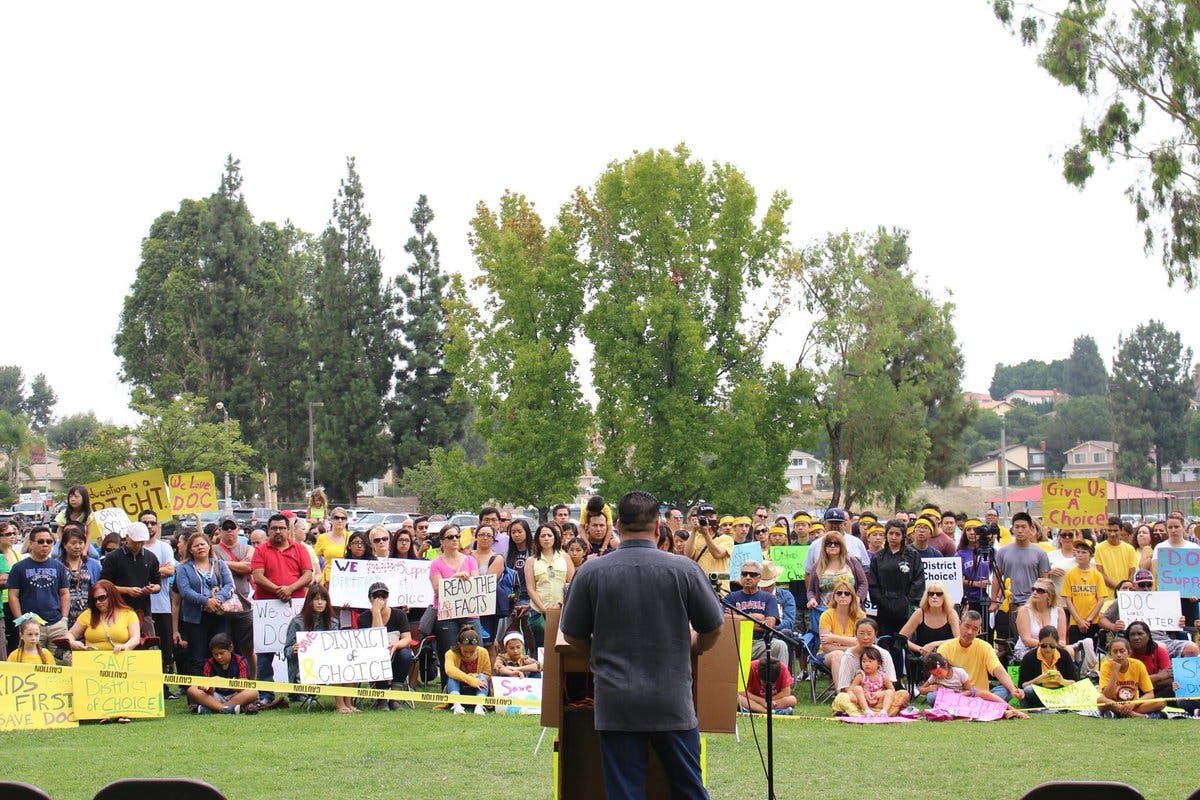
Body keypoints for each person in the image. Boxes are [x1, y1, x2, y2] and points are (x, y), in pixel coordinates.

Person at [561, 490, 723, 800]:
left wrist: (595, 654)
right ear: (659, 526)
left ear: (617, 525)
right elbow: (714, 628)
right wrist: (695, 647)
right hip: (672, 699)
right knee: (690, 790)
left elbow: (572, 635)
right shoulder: (684, 570)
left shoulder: (590, 573)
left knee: (625, 794)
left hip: (616, 701)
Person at [251, 513, 314, 707]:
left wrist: (290, 589)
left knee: (297, 649)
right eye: (274, 528)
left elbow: (308, 574)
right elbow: (257, 576)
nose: (278, 532)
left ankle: (298, 690)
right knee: (264, 653)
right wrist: (278, 590)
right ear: (269, 530)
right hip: (267, 608)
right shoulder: (261, 550)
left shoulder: (300, 549)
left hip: (295, 606)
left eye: (282, 528)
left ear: (289, 530)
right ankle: (266, 693)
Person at [173, 531, 234, 676]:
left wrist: (218, 599)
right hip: (195, 619)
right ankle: (199, 694)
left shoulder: (220, 564)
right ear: (190, 550)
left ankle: (222, 690)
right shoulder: (183, 568)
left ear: (209, 546)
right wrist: (206, 601)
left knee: (221, 653)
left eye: (203, 544)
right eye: (196, 546)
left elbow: (229, 585)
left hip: (219, 616)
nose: (200, 547)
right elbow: (185, 591)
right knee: (198, 655)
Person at [6, 525, 70, 661]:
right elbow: (13, 596)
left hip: (56, 624)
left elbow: (64, 593)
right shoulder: (19, 567)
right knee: (31, 663)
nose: (45, 544)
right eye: (41, 541)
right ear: (31, 544)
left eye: (49, 541)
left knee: (61, 663)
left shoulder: (58, 566)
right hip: (31, 627)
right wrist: (21, 622)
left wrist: (64, 619)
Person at [429, 523, 481, 688]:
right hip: (446, 614)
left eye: (457, 536)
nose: (455, 540)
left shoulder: (470, 560)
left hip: (469, 611)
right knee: (449, 653)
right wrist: (455, 578)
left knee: (475, 650)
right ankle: (449, 689)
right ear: (442, 542)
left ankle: (476, 688)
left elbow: (477, 585)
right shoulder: (436, 564)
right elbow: (437, 589)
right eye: (450, 537)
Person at [285, 585, 352, 712]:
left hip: (328, 664)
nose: (320, 602)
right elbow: (286, 651)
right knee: (335, 668)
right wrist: (293, 649)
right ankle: (340, 705)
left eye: (323, 599)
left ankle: (348, 704)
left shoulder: (333, 622)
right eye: (316, 599)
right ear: (309, 602)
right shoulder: (297, 622)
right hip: (305, 670)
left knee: (347, 665)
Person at [937, 610, 1025, 701]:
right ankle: (983, 704)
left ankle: (977, 703)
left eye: (975, 629)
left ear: (979, 630)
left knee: (1006, 690)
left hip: (980, 694)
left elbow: (997, 669)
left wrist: (1013, 689)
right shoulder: (945, 648)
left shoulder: (985, 647)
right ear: (959, 624)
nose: (970, 632)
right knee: (933, 696)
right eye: (966, 626)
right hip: (956, 694)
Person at [990, 512, 1050, 633]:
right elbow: (997, 577)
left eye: (1023, 527)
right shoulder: (1003, 551)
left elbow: (1045, 581)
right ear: (1012, 528)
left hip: (1031, 603)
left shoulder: (1040, 553)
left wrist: (1044, 604)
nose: (1020, 530)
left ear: (1031, 529)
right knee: (1005, 641)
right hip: (1008, 603)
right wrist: (994, 601)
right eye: (1017, 527)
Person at [211, 516, 256, 678]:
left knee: (248, 648)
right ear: (220, 530)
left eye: (232, 527)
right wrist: (239, 566)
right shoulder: (213, 549)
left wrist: (223, 563)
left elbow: (249, 567)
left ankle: (252, 681)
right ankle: (226, 682)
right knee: (223, 647)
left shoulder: (247, 548)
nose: (229, 530)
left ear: (238, 529)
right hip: (222, 607)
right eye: (225, 527)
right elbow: (213, 569)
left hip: (244, 605)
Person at [358, 581, 412, 711]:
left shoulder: (399, 614)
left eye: (384, 596)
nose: (381, 599)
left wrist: (396, 645)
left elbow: (407, 638)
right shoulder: (363, 618)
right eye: (376, 596)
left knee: (405, 654)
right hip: (374, 654)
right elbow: (376, 639)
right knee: (379, 654)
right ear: (370, 598)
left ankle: (395, 697)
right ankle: (381, 697)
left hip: (396, 651)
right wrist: (376, 612)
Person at [725, 559, 789, 665]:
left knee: (780, 645)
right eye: (744, 574)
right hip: (737, 643)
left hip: (761, 643)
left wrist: (738, 618)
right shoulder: (731, 598)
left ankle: (782, 681)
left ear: (759, 578)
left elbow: (769, 625)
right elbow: (727, 622)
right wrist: (756, 617)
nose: (748, 577)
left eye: (753, 574)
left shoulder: (769, 598)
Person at [869, 519, 925, 637]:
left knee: (902, 642)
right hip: (884, 609)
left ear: (903, 536)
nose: (893, 537)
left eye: (897, 534)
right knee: (885, 641)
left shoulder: (912, 555)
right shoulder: (878, 557)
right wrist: (883, 601)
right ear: (886, 535)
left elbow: (918, 581)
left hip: (905, 609)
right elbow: (873, 584)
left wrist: (907, 601)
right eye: (891, 533)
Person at [99, 521, 162, 624]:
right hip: (118, 610)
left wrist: (152, 588)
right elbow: (103, 585)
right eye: (135, 542)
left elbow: (158, 584)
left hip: (143, 611)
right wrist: (127, 590)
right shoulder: (113, 557)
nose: (138, 545)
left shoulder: (151, 557)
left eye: (142, 542)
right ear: (127, 537)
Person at [526, 522, 574, 651]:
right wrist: (543, 609)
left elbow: (571, 584)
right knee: (540, 649)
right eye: (542, 536)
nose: (546, 538)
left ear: (555, 537)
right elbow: (531, 588)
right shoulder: (531, 561)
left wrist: (560, 604)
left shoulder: (565, 557)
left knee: (560, 647)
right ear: (537, 539)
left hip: (561, 611)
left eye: (549, 535)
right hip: (538, 612)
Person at [185, 632, 260, 715]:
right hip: (215, 696)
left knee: (253, 692)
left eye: (222, 653)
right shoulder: (209, 664)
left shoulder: (240, 661)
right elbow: (209, 691)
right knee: (192, 690)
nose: (219, 657)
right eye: (215, 654)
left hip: (235, 696)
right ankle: (226, 709)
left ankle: (215, 708)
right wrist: (208, 687)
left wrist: (233, 685)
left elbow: (243, 685)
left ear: (230, 648)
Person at [64, 577, 140, 654]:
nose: (98, 602)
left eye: (102, 598)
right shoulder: (88, 614)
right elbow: (70, 634)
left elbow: (135, 638)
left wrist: (125, 646)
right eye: (95, 600)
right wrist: (73, 642)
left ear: (112, 595)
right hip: (91, 659)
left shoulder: (128, 614)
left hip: (121, 659)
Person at [1099, 636, 1165, 718]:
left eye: (1122, 651)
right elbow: (1106, 695)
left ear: (1129, 653)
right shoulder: (1106, 665)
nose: (1119, 655)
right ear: (1110, 654)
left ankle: (1119, 713)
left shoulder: (1138, 665)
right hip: (1113, 703)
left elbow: (1150, 694)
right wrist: (1114, 672)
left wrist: (1133, 703)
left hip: (1132, 704)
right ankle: (1137, 715)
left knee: (1161, 702)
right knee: (1101, 700)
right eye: (1115, 652)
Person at [1015, 625, 1078, 708]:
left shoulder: (1064, 655)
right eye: (1044, 645)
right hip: (1039, 693)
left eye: (1052, 646)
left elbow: (1074, 682)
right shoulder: (1029, 657)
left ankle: (1051, 706)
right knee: (1028, 690)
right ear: (1039, 643)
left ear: (1057, 643)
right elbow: (1022, 686)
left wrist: (1062, 681)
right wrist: (1038, 680)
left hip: (1059, 692)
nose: (1048, 649)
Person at [816, 578, 865, 684]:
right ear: (834, 596)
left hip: (856, 654)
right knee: (838, 655)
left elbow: (862, 641)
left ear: (852, 597)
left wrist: (834, 638)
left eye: (847, 593)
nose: (843, 596)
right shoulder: (827, 615)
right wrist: (850, 646)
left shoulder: (860, 616)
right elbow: (825, 645)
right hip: (827, 655)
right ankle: (842, 695)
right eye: (839, 593)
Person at [805, 531, 868, 610]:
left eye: (836, 543)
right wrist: (812, 599)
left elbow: (863, 583)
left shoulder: (852, 561)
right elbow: (811, 590)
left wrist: (858, 599)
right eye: (828, 543)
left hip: (850, 609)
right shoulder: (817, 566)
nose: (832, 546)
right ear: (824, 546)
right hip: (825, 610)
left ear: (842, 546)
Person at [900, 582, 960, 662]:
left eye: (939, 594)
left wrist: (934, 644)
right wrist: (920, 649)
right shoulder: (920, 613)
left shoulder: (951, 613)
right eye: (931, 594)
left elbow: (958, 640)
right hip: (923, 660)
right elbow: (901, 638)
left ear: (944, 597)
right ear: (927, 597)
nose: (934, 597)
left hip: (946, 658)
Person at [920, 651, 1008, 705]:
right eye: (935, 674)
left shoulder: (959, 672)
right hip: (948, 699)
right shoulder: (934, 677)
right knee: (931, 696)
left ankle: (1004, 703)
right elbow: (921, 690)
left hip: (965, 696)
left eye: (939, 672)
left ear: (945, 664)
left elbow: (969, 690)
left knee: (987, 694)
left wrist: (957, 696)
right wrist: (930, 688)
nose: (938, 676)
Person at [1012, 578, 1068, 663]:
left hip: (1053, 649)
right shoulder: (1024, 611)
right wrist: (1047, 645)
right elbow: (1026, 641)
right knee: (1044, 654)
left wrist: (1053, 646)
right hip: (1027, 651)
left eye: (1040, 590)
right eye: (1033, 589)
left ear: (1049, 595)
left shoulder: (1059, 612)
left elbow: (1062, 640)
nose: (1035, 593)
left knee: (1069, 651)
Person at [56, 524, 101, 629]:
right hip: (63, 617)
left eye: (81, 543)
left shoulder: (93, 564)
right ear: (64, 544)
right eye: (73, 543)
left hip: (89, 615)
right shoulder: (56, 565)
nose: (77, 546)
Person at [472, 523, 506, 655]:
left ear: (493, 539)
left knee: (488, 643)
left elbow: (488, 582)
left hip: (487, 606)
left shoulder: (497, 558)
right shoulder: (467, 556)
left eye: (488, 535)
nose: (485, 538)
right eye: (481, 535)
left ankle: (489, 674)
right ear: (476, 537)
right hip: (467, 606)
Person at [1062, 536, 1104, 645]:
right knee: (1076, 652)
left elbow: (1100, 600)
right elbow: (1068, 599)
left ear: (1091, 555)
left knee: (1092, 653)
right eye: (1078, 552)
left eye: (1084, 552)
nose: (1080, 555)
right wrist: (1079, 620)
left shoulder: (1097, 575)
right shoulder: (1070, 574)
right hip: (1075, 622)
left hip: (1093, 622)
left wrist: (1089, 619)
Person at [445, 625, 492, 714]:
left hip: (478, 688)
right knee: (452, 677)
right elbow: (449, 670)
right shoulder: (451, 653)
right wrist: (471, 680)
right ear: (459, 645)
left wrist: (475, 678)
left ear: (477, 646)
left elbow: (488, 674)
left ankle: (479, 705)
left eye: (472, 651)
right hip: (460, 687)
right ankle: (457, 704)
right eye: (465, 651)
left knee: (482, 676)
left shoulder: (483, 652)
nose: (468, 655)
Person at [1125, 620, 1175, 697]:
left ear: (1148, 635)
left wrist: (1144, 683)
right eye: (1132, 634)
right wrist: (1159, 676)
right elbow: (1128, 683)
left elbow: (1169, 678)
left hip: (1156, 691)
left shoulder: (1159, 651)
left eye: (1140, 634)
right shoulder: (1125, 654)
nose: (1136, 638)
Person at [846, 646, 899, 716]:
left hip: (879, 701)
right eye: (863, 661)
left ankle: (884, 712)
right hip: (864, 701)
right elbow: (850, 689)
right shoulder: (861, 675)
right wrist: (852, 695)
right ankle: (866, 711)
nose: (866, 664)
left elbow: (892, 689)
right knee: (857, 689)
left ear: (879, 663)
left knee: (891, 692)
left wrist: (881, 693)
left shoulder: (883, 676)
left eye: (870, 661)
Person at [687, 510, 733, 591]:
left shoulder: (726, 538)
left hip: (720, 588)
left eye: (710, 516)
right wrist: (694, 530)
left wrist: (706, 534)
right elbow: (688, 555)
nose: (707, 519)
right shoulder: (695, 537)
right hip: (700, 586)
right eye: (703, 517)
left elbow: (717, 554)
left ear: (716, 519)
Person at [1098, 516, 1141, 597]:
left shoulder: (1129, 549)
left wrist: (1124, 587)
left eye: (1115, 530)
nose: (1112, 534)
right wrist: (1118, 587)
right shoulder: (1098, 549)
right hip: (1106, 596)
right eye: (1109, 530)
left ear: (1121, 530)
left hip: (1126, 594)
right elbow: (1100, 573)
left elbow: (1133, 571)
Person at [314, 507, 350, 585]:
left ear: (346, 521)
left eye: (343, 518)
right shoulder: (322, 538)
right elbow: (315, 560)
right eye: (336, 518)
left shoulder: (352, 537)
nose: (340, 520)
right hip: (328, 581)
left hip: (347, 580)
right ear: (331, 520)